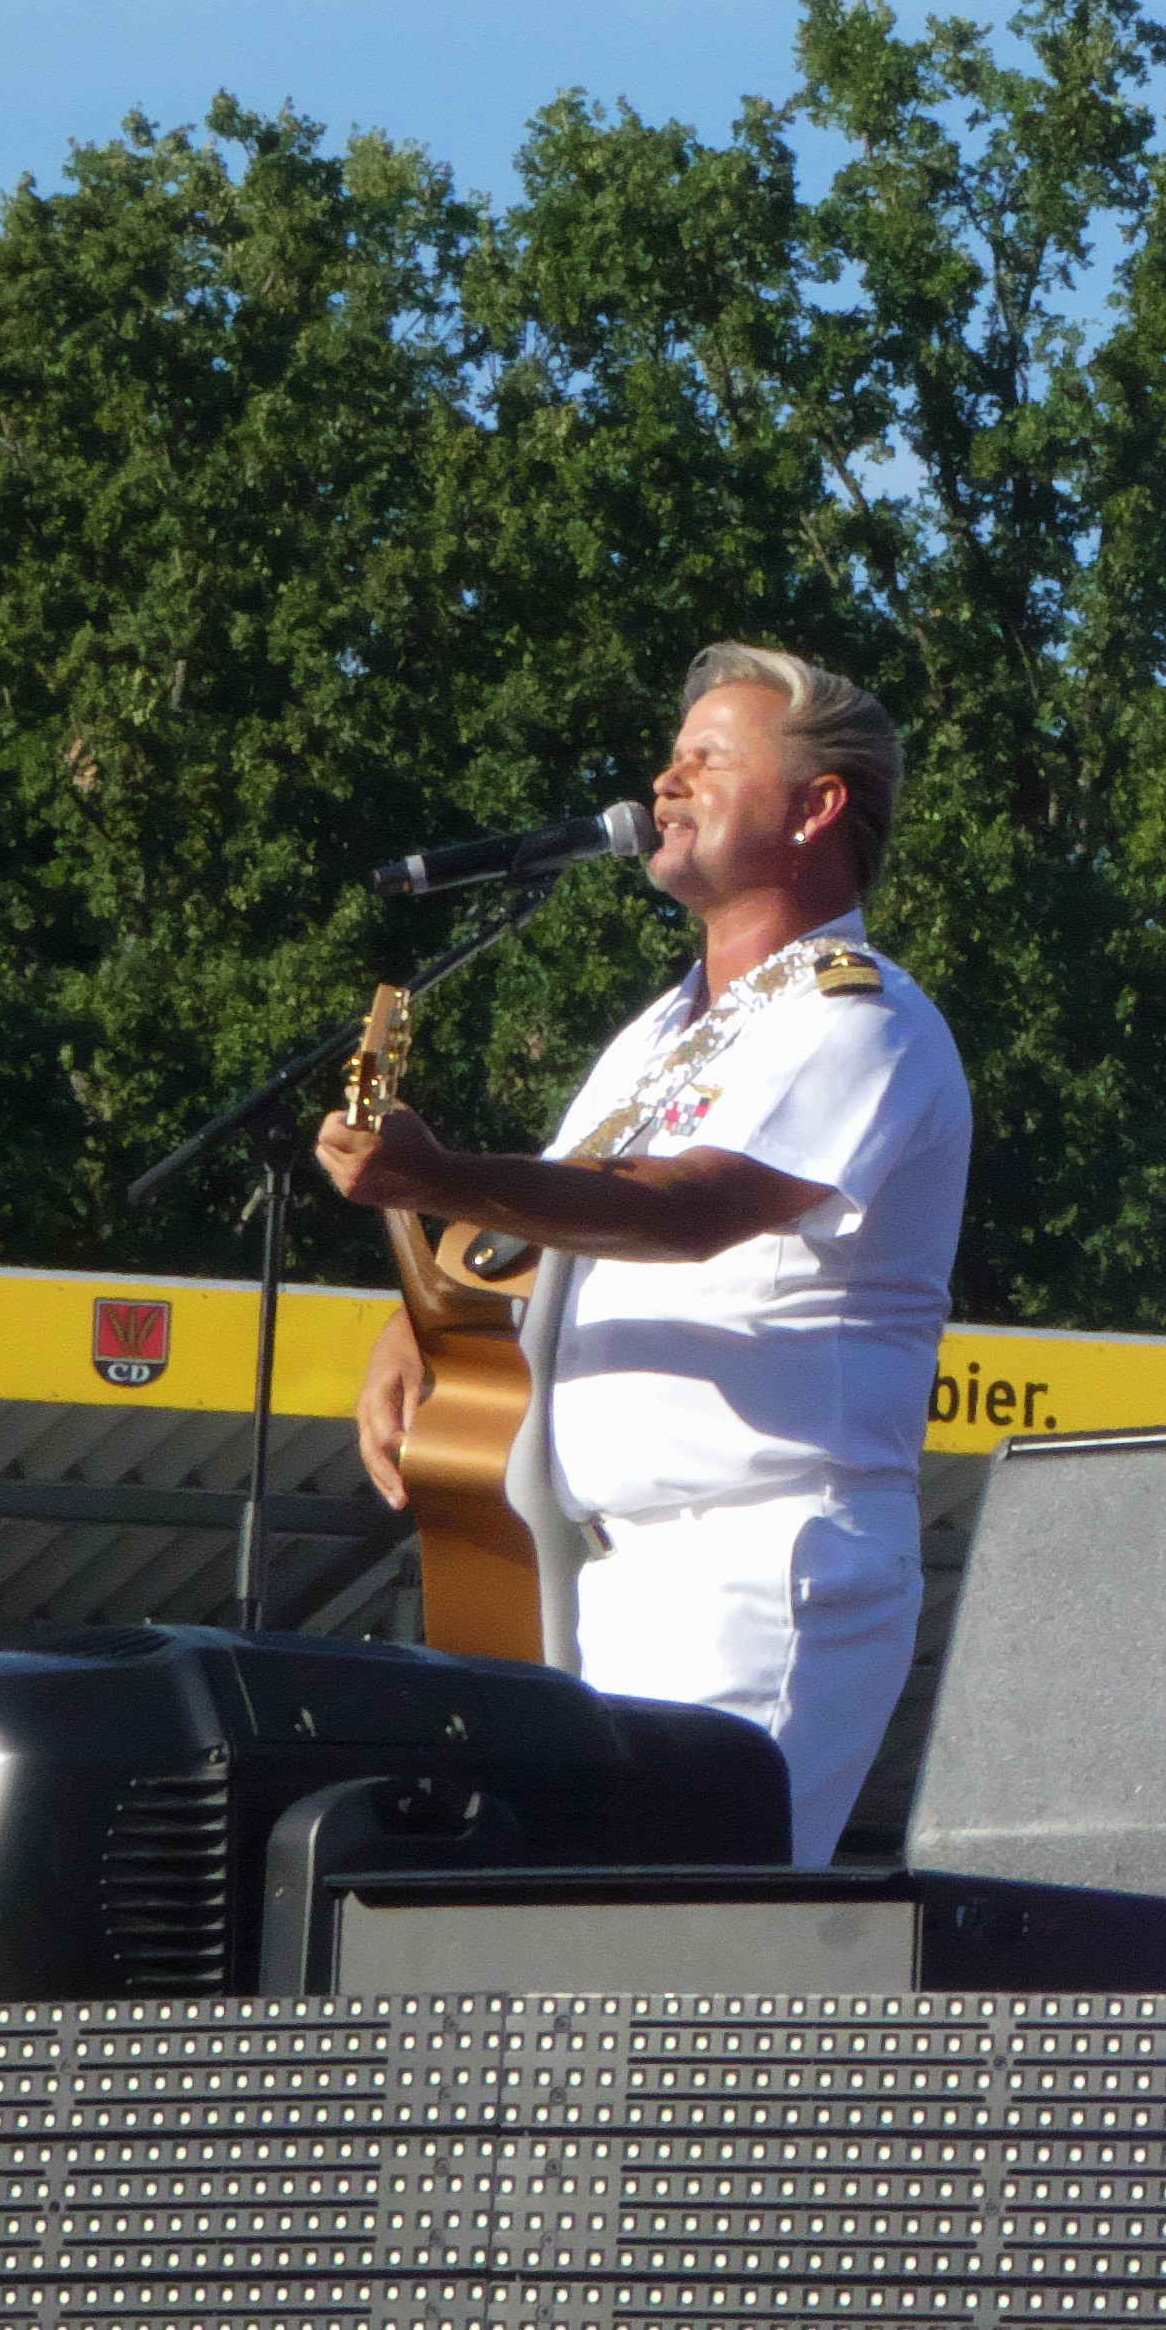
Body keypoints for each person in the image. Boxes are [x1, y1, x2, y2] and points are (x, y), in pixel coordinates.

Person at [317, 643, 972, 1866]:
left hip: (757, 1563)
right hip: (601, 1570)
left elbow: (691, 1209)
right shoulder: (660, 1037)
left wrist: (438, 1176)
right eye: (670, 759)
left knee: (680, 1947)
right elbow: (543, 1233)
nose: (664, 784)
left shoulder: (860, 1014)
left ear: (817, 806)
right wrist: (426, 1318)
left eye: (707, 759)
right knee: (580, 1946)